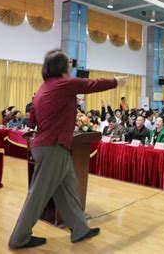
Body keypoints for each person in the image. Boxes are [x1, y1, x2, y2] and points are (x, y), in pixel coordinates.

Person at [8, 49, 127, 249]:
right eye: (68, 65)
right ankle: (18, 237)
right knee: (38, 194)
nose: (70, 68)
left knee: (68, 188)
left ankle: (79, 228)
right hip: (53, 146)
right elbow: (91, 84)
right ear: (62, 67)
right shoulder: (64, 84)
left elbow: (33, 119)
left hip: (50, 145)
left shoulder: (43, 89)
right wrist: (116, 81)